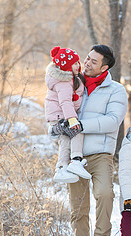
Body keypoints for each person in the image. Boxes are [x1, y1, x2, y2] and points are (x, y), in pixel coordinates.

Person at [53, 44, 128, 236]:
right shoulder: (72, 83)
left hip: (101, 154)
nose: (87, 63)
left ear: (104, 67)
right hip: (75, 158)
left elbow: (113, 120)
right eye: (87, 58)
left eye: (93, 61)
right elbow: (57, 109)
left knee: (105, 193)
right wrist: (58, 126)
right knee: (78, 208)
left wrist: (81, 125)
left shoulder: (116, 90)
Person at [45, 46, 91, 183]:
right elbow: (65, 102)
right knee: (77, 131)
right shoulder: (64, 82)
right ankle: (76, 161)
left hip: (57, 116)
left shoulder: (69, 78)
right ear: (66, 67)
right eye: (74, 64)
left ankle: (61, 168)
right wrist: (72, 120)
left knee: (65, 139)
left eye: (78, 62)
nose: (78, 65)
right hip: (62, 116)